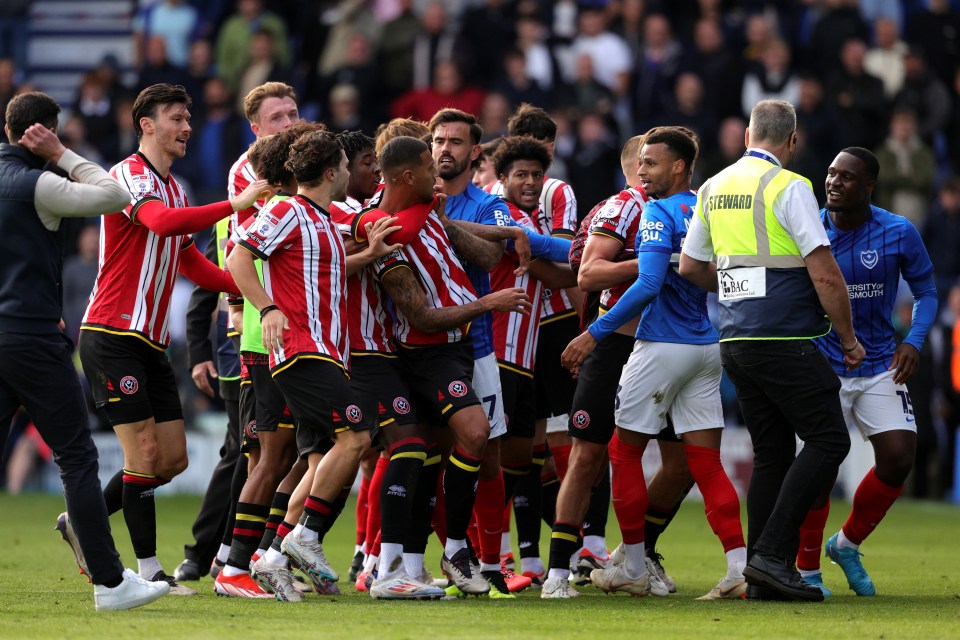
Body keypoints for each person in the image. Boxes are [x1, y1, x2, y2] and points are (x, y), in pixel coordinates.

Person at [78, 83, 269, 596]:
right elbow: (160, 224)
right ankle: (148, 572)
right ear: (146, 124)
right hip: (110, 332)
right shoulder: (125, 176)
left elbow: (189, 261)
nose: (187, 127)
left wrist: (246, 287)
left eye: (188, 119)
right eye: (176, 118)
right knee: (142, 454)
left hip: (149, 343)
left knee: (172, 460)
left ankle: (84, 521)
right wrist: (234, 204)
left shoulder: (179, 188)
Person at [679, 99, 864, 602]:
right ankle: (772, 556)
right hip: (785, 337)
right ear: (793, 142)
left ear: (745, 137)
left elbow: (691, 267)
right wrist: (848, 339)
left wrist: (739, 287)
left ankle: (762, 573)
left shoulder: (714, 187)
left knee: (773, 453)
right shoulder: (791, 186)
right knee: (829, 441)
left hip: (736, 341)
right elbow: (824, 272)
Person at [561, 127, 748, 600]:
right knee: (705, 462)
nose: (641, 172)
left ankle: (635, 567)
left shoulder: (658, 211)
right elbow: (718, 276)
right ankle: (738, 569)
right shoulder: (705, 209)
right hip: (706, 347)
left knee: (622, 453)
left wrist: (592, 334)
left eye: (651, 163)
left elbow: (646, 285)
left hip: (660, 345)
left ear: (680, 166)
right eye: (640, 163)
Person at [0, 90, 169, 610]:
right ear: (45, 132)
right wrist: (64, 155)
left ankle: (113, 578)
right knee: (76, 457)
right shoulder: (41, 185)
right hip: (31, 337)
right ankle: (111, 582)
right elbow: (115, 195)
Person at [367, 135, 532, 596]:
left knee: (433, 460)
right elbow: (419, 315)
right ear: (405, 176)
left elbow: (482, 255)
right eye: (426, 165)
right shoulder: (386, 229)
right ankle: (451, 548)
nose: (435, 174)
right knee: (475, 434)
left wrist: (504, 232)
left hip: (456, 348)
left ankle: (413, 565)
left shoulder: (428, 213)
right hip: (425, 351)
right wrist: (488, 302)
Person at [227, 128, 370, 593]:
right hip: (301, 349)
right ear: (331, 172)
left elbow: (315, 270)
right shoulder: (287, 209)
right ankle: (301, 538)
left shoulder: (325, 219)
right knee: (357, 436)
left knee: (320, 457)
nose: (350, 172)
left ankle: (271, 557)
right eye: (346, 166)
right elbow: (238, 258)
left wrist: (373, 252)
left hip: (327, 352)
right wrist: (268, 308)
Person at [796, 148, 937, 597]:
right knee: (819, 469)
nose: (834, 182)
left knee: (898, 458)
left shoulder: (898, 231)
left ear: (870, 186)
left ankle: (848, 543)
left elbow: (927, 291)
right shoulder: (807, 228)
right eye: (831, 173)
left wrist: (913, 340)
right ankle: (806, 570)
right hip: (822, 364)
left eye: (847, 177)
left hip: (879, 363)